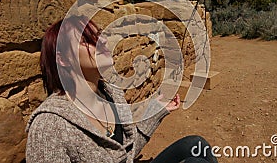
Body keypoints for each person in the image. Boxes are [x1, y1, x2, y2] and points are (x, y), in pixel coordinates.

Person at [25, 15, 217, 163]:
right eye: (88, 40)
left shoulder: (112, 93)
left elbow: (125, 154)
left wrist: (156, 111)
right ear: (63, 59)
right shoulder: (48, 127)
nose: (103, 41)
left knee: (196, 145)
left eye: (99, 35)